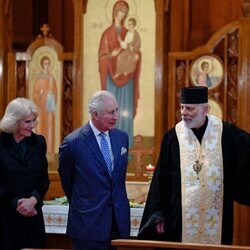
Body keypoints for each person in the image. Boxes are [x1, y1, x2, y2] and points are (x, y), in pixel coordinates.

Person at [138, 86, 250, 245]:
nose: (184, 112)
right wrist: (158, 214)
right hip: (180, 219)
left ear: (205, 109)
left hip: (216, 218)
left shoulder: (226, 134)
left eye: (190, 108)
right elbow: (161, 181)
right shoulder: (173, 137)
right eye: (182, 107)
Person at [58, 90, 130, 250]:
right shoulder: (72, 143)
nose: (116, 116)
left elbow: (117, 179)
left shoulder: (122, 137)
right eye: (111, 112)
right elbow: (67, 181)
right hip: (87, 224)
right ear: (95, 114)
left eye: (117, 110)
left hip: (118, 223)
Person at [0, 97, 50, 250]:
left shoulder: (39, 142)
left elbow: (44, 179)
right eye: (28, 122)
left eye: (34, 121)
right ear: (14, 122)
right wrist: (17, 203)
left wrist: (33, 199)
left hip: (33, 217)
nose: (33, 126)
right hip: (5, 218)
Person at [99, 0, 141, 146]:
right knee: (112, 107)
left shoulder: (127, 32)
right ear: (115, 12)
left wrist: (134, 55)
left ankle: (125, 145)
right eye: (120, 11)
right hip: (112, 77)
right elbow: (103, 57)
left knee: (125, 108)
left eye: (124, 12)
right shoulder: (107, 34)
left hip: (127, 77)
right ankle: (110, 144)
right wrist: (113, 54)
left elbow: (135, 50)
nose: (122, 14)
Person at [33, 55, 57, 154]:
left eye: (48, 64)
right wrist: (40, 95)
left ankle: (50, 151)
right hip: (41, 108)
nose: (46, 66)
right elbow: (35, 93)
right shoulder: (38, 79)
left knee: (50, 128)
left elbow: (55, 93)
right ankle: (40, 150)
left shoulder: (52, 78)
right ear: (42, 64)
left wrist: (52, 95)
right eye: (44, 63)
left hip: (49, 108)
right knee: (41, 127)